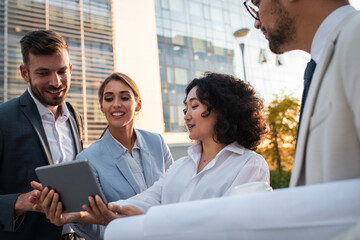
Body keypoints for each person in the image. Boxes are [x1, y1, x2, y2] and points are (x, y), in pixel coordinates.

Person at [38, 72, 270, 228]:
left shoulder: (250, 164)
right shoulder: (182, 165)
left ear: (222, 109)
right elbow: (149, 198)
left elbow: (229, 226)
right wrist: (97, 214)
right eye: (185, 108)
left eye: (195, 106)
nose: (186, 115)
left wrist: (150, 221)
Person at [63, 72, 172, 239]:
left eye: (124, 97)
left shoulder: (157, 142)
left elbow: (173, 192)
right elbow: (93, 227)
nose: (116, 104)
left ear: (138, 105)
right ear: (101, 107)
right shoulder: (87, 159)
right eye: (108, 98)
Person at [0, 30, 83, 240]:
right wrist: (18, 202)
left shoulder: (74, 116)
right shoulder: (3, 118)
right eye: (43, 73)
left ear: (71, 69)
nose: (56, 82)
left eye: (62, 71)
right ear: (24, 73)